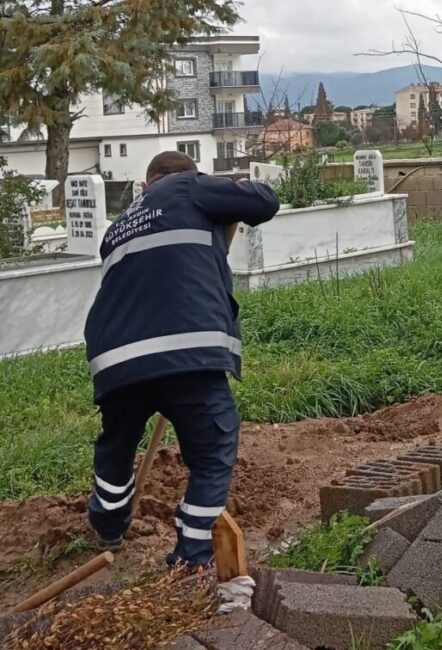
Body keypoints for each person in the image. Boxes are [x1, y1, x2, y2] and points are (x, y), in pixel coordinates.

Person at [84, 151, 280, 566]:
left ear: (144, 185)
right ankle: (192, 554)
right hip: (187, 350)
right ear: (195, 177)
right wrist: (226, 190)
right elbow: (265, 200)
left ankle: (107, 526)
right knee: (212, 450)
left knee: (116, 447)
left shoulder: (118, 226)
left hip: (116, 358)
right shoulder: (190, 187)